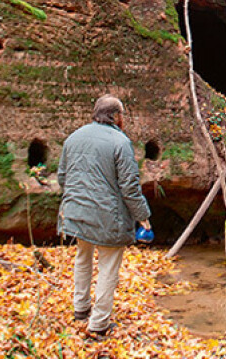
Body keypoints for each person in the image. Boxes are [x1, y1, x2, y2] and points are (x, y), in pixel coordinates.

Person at [57, 95, 151, 336]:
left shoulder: (73, 138)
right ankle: (98, 323)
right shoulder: (120, 142)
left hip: (77, 213)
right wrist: (143, 217)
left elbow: (62, 178)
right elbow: (129, 188)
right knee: (108, 267)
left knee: (82, 257)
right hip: (108, 217)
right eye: (122, 114)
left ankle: (80, 308)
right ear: (116, 116)